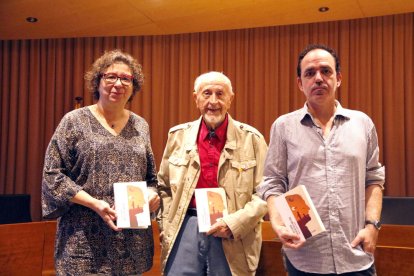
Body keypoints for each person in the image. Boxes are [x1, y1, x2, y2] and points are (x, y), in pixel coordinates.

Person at [257, 44, 385, 275]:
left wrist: (372, 226)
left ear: (339, 79)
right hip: (304, 257)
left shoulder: (363, 123)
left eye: (326, 71)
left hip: (355, 253)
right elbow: (272, 182)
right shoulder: (283, 127)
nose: (318, 78)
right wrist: (276, 221)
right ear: (300, 83)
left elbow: (374, 179)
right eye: (310, 73)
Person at [42, 49, 160, 275]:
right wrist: (94, 203)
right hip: (83, 242)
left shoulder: (141, 125)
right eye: (111, 76)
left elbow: (151, 179)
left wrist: (152, 195)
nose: (118, 83)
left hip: (131, 243)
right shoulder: (74, 121)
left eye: (126, 78)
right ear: (97, 81)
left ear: (133, 86)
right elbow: (52, 175)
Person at [156, 71, 268, 275]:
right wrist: (167, 225)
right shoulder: (177, 136)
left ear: (230, 99)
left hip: (233, 233)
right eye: (206, 93)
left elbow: (266, 194)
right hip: (184, 228)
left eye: (220, 94)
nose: (213, 101)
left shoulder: (252, 139)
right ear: (195, 98)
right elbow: (162, 186)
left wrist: (235, 224)